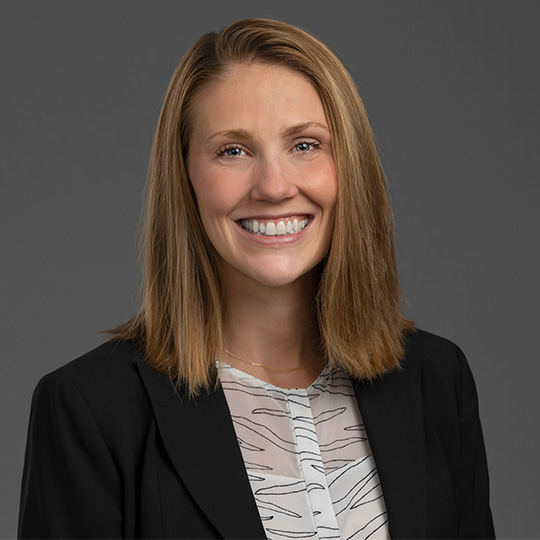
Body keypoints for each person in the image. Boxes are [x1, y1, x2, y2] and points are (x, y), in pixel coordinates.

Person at [18, 18, 495, 540]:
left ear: (350, 165)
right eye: (233, 150)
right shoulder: (89, 408)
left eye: (306, 145)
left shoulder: (435, 380)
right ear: (186, 178)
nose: (273, 186)